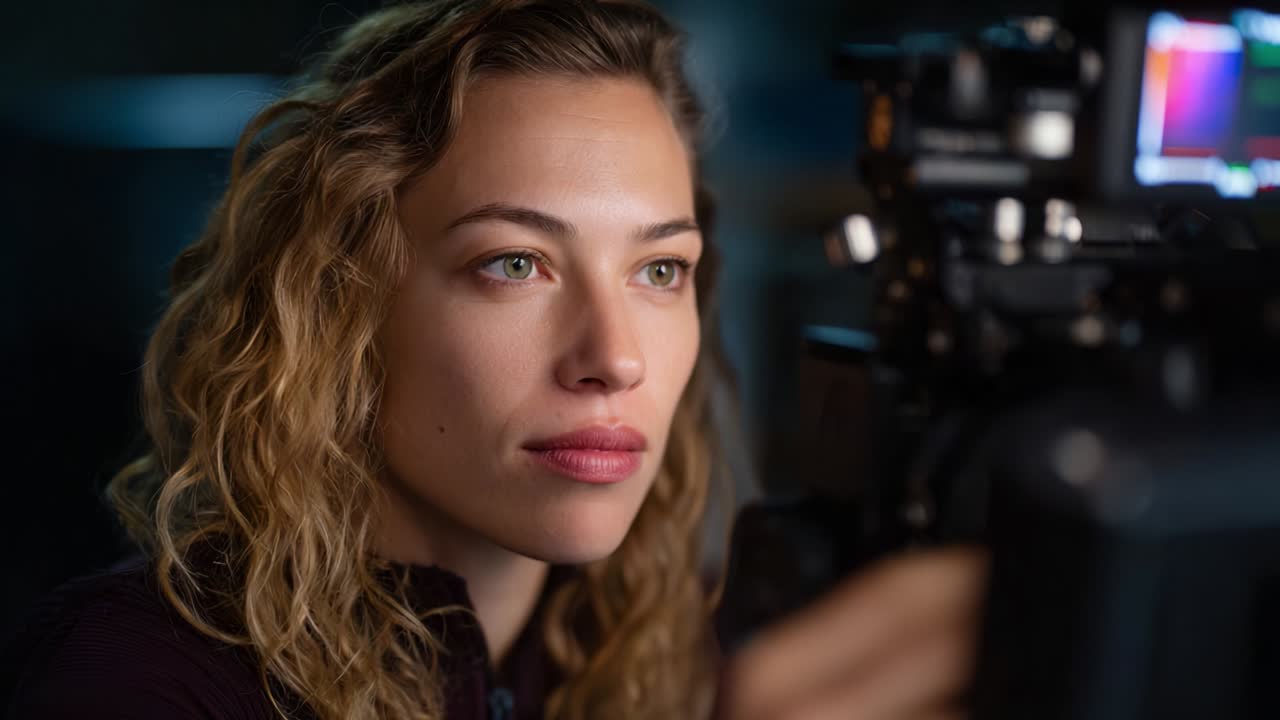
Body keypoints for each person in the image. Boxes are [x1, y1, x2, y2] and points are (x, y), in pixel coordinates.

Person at [2, 1, 985, 719]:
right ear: (341, 300)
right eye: (515, 264)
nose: (613, 360)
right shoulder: (134, 681)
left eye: (658, 270)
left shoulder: (703, 649)